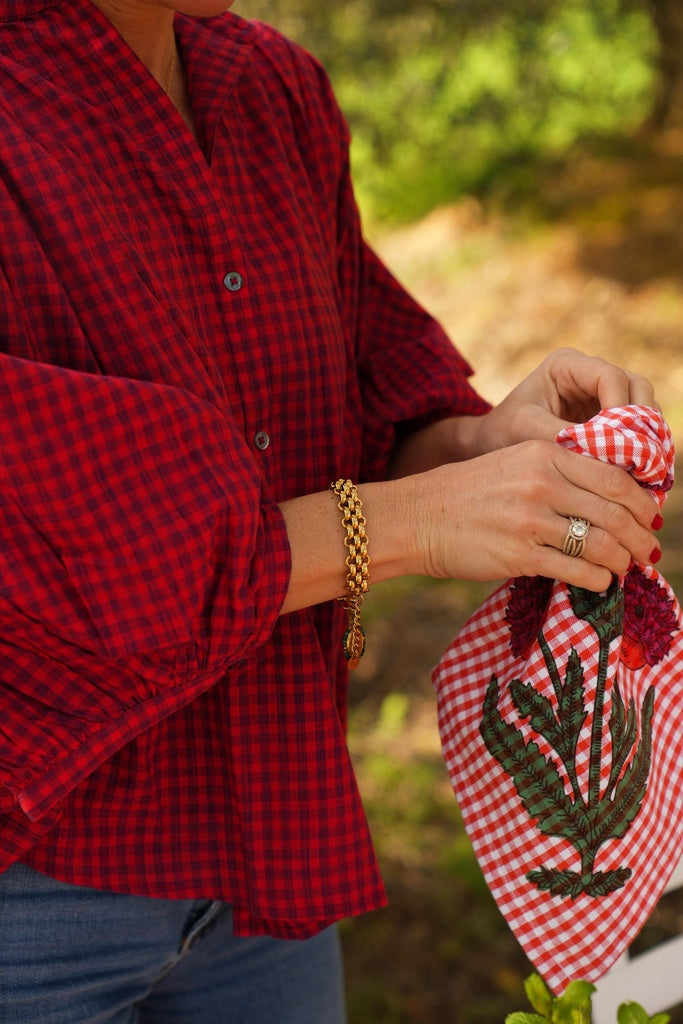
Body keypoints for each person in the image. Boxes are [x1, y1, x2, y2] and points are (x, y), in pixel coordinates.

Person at [0, 0, 663, 1020]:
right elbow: (47, 523)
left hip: (263, 849)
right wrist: (408, 523)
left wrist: (481, 446)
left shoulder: (267, 87)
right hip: (34, 885)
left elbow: (352, 413)